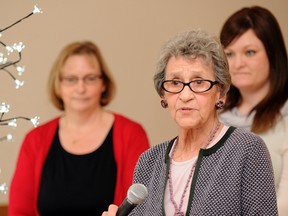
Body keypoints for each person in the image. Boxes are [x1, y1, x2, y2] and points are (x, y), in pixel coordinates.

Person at [102, 29, 278, 215]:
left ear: (221, 93)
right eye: (175, 83)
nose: (185, 95)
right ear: (164, 95)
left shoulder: (247, 149)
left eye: (199, 82)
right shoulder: (149, 161)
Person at [8, 41, 150, 216]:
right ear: (58, 85)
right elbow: (19, 212)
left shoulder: (131, 134)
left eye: (90, 78)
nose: (80, 88)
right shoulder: (35, 139)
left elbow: (143, 208)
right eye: (71, 79)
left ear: (103, 84)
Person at [219, 6, 288, 215]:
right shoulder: (215, 117)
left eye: (250, 52)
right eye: (229, 54)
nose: (238, 64)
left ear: (273, 54)